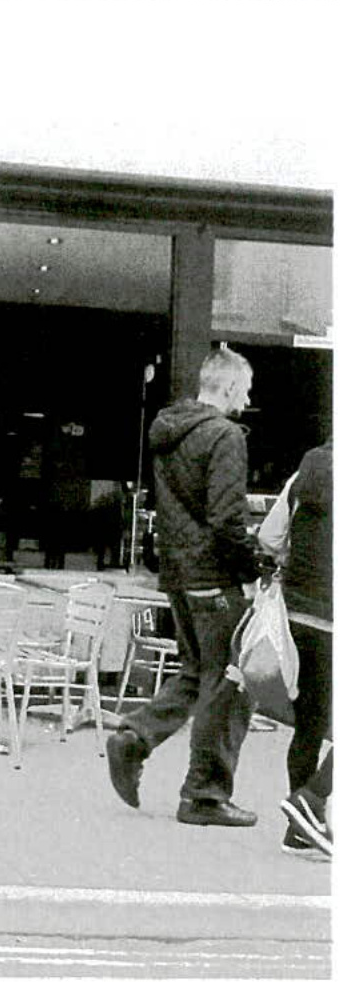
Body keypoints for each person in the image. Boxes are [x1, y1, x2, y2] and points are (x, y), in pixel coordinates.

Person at [105, 346, 259, 827]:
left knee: (197, 673)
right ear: (231, 387)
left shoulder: (170, 433)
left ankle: (134, 736)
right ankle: (204, 795)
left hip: (177, 574)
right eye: (247, 389)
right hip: (214, 578)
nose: (248, 398)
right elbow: (226, 518)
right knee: (230, 682)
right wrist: (253, 568)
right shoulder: (225, 436)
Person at [268, 439, 332, 855]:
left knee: (309, 725)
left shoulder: (302, 476)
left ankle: (301, 828)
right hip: (332, 621)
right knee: (318, 724)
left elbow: (269, 537)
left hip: (294, 616)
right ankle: (310, 800)